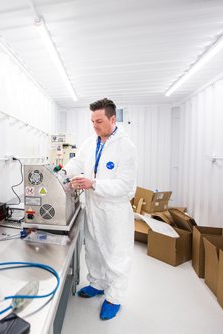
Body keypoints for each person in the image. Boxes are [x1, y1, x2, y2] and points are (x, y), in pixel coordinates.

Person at [63, 98, 137, 320]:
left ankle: (114, 297)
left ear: (112, 119)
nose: (95, 125)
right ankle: (97, 283)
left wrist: (93, 183)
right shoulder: (89, 143)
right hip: (93, 206)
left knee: (116, 254)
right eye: (92, 121)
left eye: (99, 121)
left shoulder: (126, 147)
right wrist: (63, 174)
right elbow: (77, 164)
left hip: (114, 211)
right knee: (93, 249)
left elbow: (126, 187)